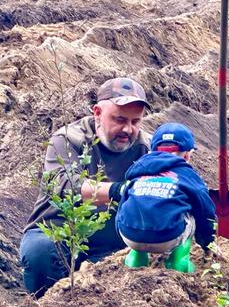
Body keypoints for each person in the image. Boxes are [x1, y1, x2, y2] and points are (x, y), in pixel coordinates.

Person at [19, 77, 151, 297]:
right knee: (40, 252)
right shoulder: (69, 139)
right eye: (119, 119)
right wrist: (118, 190)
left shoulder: (145, 148)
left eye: (135, 122)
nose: (128, 129)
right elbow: (63, 185)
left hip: (111, 246)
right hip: (60, 232)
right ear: (97, 113)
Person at [116, 122, 216, 273]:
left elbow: (123, 202)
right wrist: (208, 241)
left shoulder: (137, 171)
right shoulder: (187, 175)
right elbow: (205, 210)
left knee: (138, 203)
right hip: (167, 237)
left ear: (153, 151)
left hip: (129, 234)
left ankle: (135, 259)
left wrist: (122, 229)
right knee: (193, 213)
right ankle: (178, 263)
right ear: (188, 154)